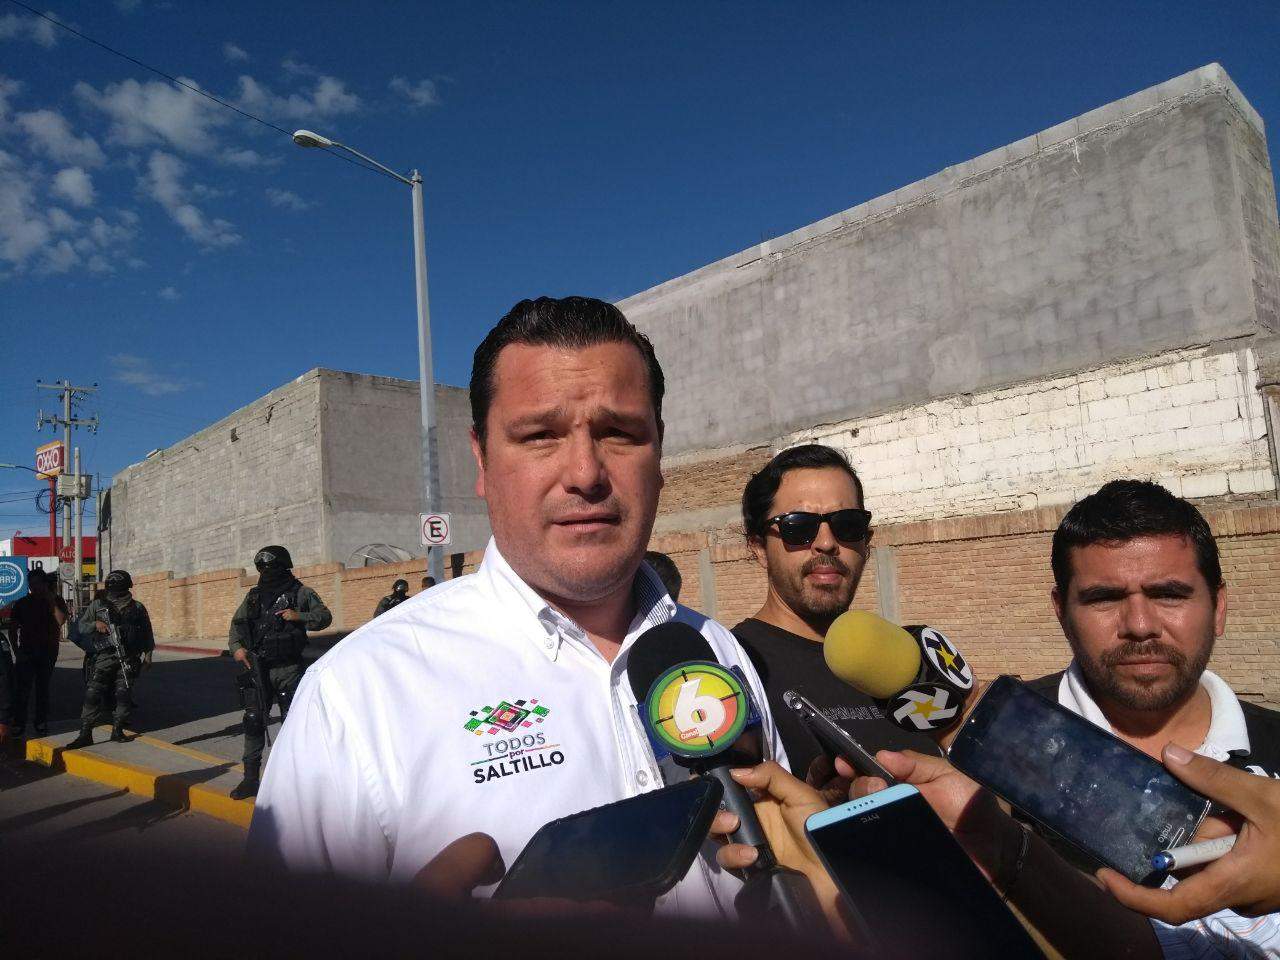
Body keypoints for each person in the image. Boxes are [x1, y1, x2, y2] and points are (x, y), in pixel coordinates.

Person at [249, 296, 785, 923]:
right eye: (539, 436)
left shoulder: (717, 648)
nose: (585, 473)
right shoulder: (356, 695)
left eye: (619, 433)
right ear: (482, 460)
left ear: (659, 455)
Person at [1023, 478, 1280, 952]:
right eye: (1104, 598)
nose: (1140, 627)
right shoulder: (997, 755)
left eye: (1169, 594)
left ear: (1219, 607)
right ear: (1061, 611)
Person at [732, 444, 935, 780]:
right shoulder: (736, 670)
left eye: (847, 524)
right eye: (798, 526)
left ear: (866, 542)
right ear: (759, 548)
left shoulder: (907, 656)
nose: (826, 542)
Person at [227, 546, 332, 800]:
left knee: (292, 724)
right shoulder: (253, 596)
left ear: (284, 566)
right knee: (254, 720)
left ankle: (294, 780)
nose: (266, 572)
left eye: (270, 567)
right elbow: (237, 625)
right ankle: (250, 779)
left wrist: (298, 616)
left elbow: (324, 617)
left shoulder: (301, 592)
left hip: (288, 668)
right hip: (258, 667)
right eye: (262, 568)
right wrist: (236, 649)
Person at [67, 569, 154, 748]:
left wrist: (148, 656)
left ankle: (118, 729)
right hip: (104, 656)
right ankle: (85, 733)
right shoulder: (98, 605)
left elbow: (147, 633)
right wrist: (96, 624)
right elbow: (81, 627)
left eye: (117, 591)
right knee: (93, 693)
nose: (114, 595)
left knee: (123, 694)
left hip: (128, 657)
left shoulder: (137, 608)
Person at [10, 569, 67, 738]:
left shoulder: (56, 601)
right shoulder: (22, 603)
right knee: (22, 690)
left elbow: (61, 620)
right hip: (26, 652)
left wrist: (51, 601)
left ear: (45, 584)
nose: (34, 588)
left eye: (38, 584)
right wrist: (16, 651)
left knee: (43, 689)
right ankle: (19, 723)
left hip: (48, 652)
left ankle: (40, 721)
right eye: (31, 584)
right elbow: (13, 629)